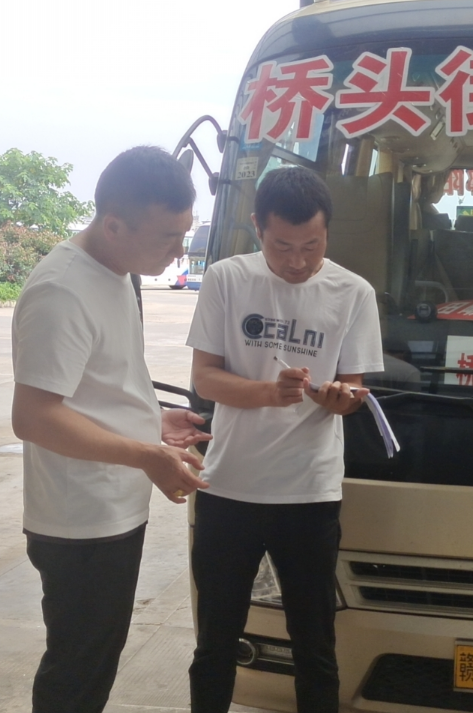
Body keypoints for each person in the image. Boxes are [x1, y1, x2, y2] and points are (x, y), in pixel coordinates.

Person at [11, 146, 212, 713]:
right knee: (78, 669)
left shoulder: (119, 272)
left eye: (184, 235)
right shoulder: (61, 290)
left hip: (112, 509)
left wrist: (153, 420)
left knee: (95, 659)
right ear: (114, 224)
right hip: (79, 519)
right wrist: (146, 455)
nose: (179, 252)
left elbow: (98, 384)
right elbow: (34, 416)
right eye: (167, 238)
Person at [186, 166, 384, 713]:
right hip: (229, 486)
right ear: (257, 228)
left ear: (327, 232)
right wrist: (267, 393)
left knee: (315, 643)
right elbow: (205, 379)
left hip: (309, 492)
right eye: (282, 246)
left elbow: (354, 387)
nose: (297, 261)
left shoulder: (353, 292)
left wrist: (342, 398)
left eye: (311, 246)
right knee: (215, 640)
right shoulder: (227, 279)